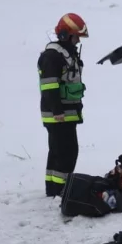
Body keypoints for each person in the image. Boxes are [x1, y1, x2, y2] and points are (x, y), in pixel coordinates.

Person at [38, 13, 88, 197]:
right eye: (76, 37)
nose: (77, 41)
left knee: (58, 152)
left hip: (66, 113)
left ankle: (53, 190)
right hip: (58, 115)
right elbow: (49, 86)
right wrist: (58, 111)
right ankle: (60, 190)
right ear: (65, 35)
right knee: (67, 153)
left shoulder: (65, 53)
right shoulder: (52, 56)